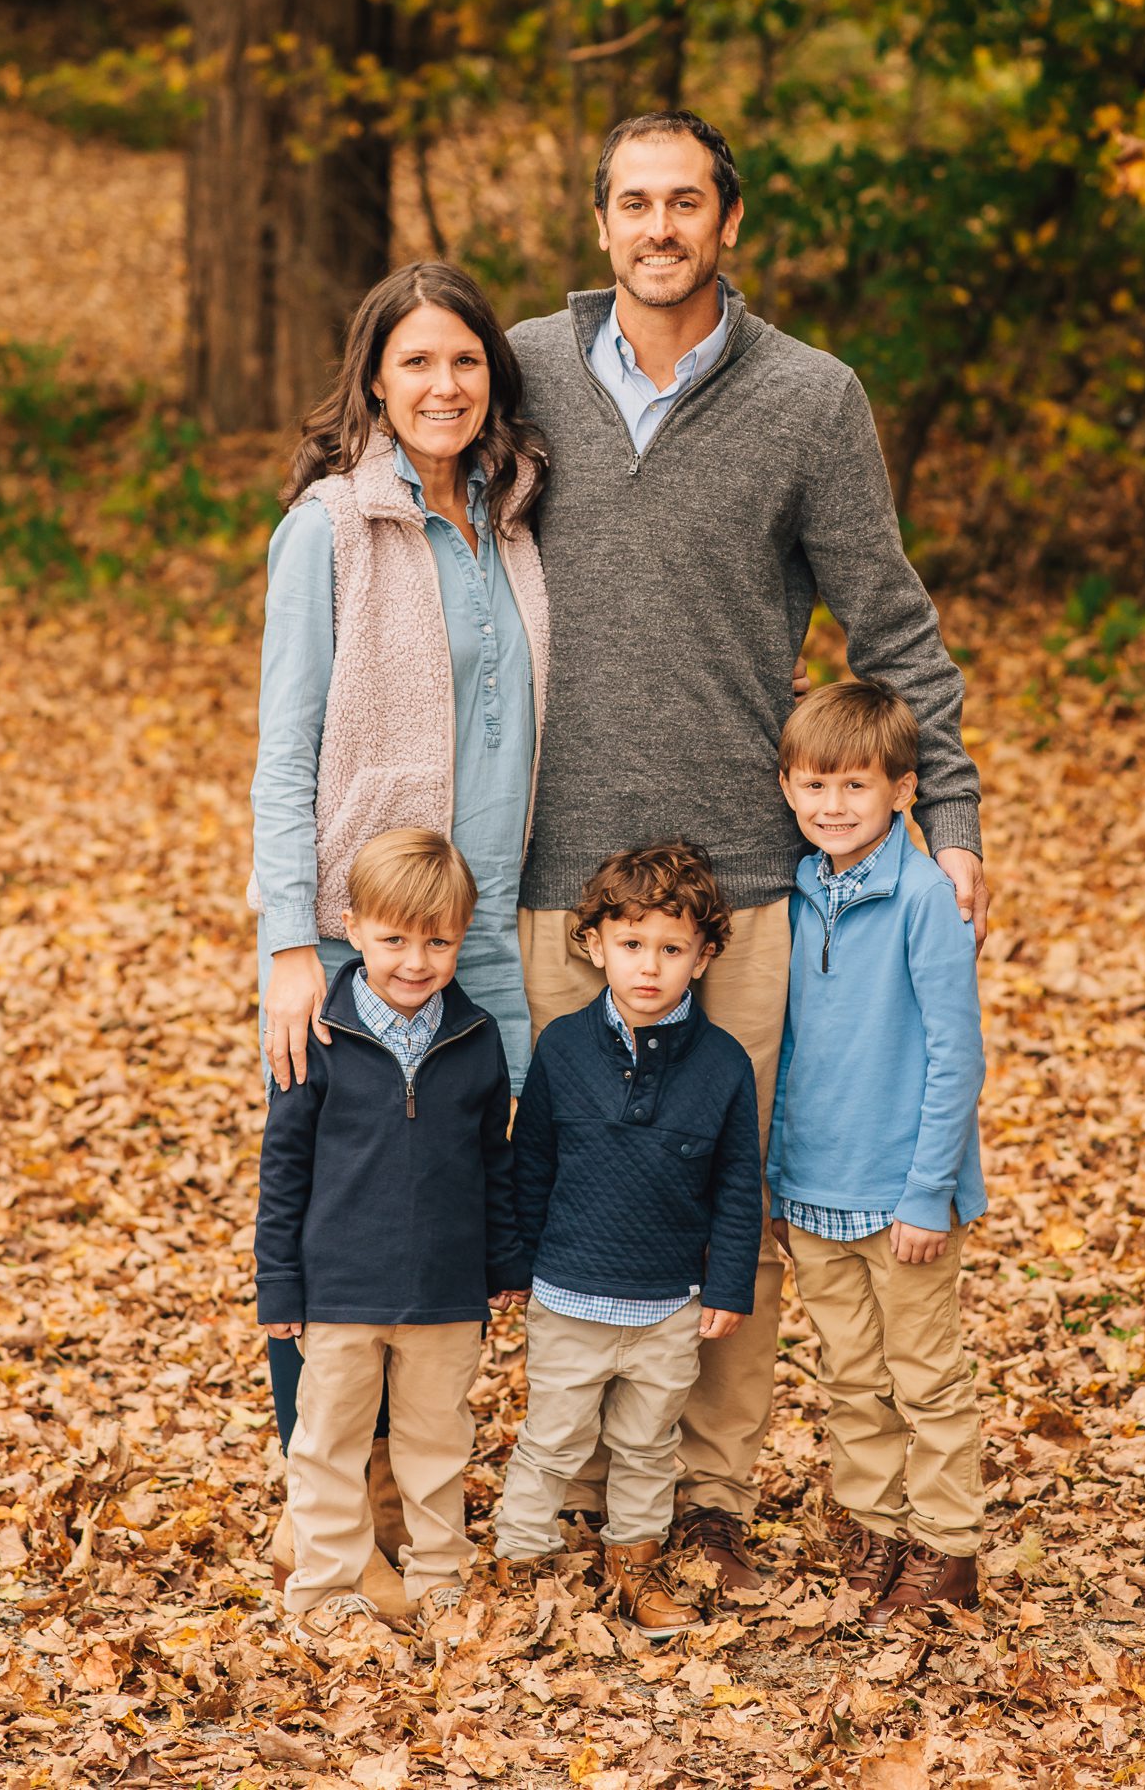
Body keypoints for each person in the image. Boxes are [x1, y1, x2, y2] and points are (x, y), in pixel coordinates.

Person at [508, 108, 987, 1589]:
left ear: (730, 223)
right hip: (554, 873)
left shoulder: (806, 399)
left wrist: (951, 814)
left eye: (685, 204)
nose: (658, 228)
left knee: (735, 1190)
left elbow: (887, 619)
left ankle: (700, 1494)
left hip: (746, 879)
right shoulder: (518, 371)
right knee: (582, 1173)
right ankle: (588, 1482)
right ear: (599, 223)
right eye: (631, 204)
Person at [249, 260, 549, 1581]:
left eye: (464, 361)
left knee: (454, 1201)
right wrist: (282, 946)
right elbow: (283, 754)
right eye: (416, 361)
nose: (442, 384)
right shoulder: (328, 528)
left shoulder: (514, 520)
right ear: (375, 376)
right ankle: (333, 1525)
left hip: (489, 925)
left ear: (492, 380)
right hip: (362, 926)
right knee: (339, 1208)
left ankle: (429, 1512)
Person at [255, 830, 529, 1636]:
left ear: (460, 939)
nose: (415, 960)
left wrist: (503, 1258)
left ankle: (440, 1580)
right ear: (352, 926)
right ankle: (324, 1590)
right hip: (339, 1288)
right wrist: (279, 1284)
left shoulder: (475, 1040)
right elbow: (283, 1174)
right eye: (394, 939)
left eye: (437, 941)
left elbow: (495, 1160)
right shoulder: (320, 1038)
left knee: (435, 1443)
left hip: (446, 1295)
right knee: (330, 1443)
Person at [493, 844, 762, 1638]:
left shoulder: (722, 1064)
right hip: (569, 1293)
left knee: (649, 1446)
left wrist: (727, 1286)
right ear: (594, 945)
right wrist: (515, 1262)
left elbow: (738, 1183)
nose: (650, 967)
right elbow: (530, 1159)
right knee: (552, 1439)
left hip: (667, 1302)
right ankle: (520, 1562)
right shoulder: (564, 1048)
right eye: (632, 944)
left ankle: (633, 1566)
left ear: (703, 956)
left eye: (672, 949)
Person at [767, 680, 986, 1621]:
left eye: (854, 787)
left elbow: (955, 1053)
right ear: (785, 788)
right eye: (813, 786)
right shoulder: (794, 891)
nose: (832, 807)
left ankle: (946, 1545)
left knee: (926, 1380)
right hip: (812, 1192)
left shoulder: (926, 898)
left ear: (902, 790)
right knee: (851, 1378)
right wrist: (774, 1183)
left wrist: (927, 1192)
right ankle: (875, 1526)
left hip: (902, 1203)